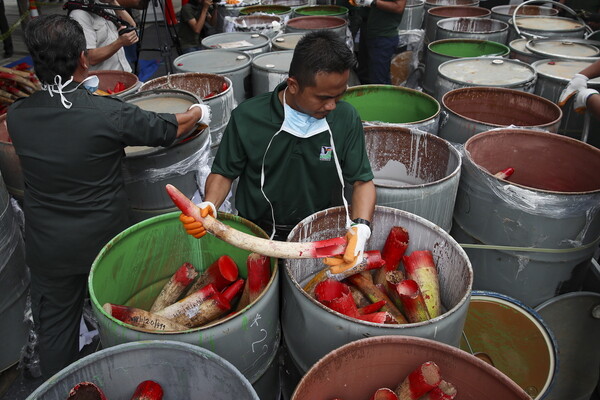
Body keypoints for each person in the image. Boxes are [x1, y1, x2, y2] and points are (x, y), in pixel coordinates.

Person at [7, 14, 210, 379]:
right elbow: (170, 126)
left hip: (49, 247)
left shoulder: (19, 117)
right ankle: (129, 377)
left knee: (55, 332)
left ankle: (65, 387)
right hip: (104, 243)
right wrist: (198, 111)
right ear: (84, 59)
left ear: (36, 65)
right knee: (123, 314)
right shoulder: (106, 113)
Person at [180, 30, 376, 272]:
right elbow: (224, 173)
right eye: (323, 98)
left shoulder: (345, 118)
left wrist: (361, 227)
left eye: (339, 96)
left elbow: (362, 181)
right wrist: (209, 204)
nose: (332, 106)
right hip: (257, 235)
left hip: (319, 234)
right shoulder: (249, 117)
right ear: (293, 85)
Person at [69, 0, 139, 72]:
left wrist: (113, 2)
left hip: (124, 70)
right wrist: (120, 42)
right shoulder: (79, 15)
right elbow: (90, 58)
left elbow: (131, 26)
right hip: (102, 78)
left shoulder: (104, 3)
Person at [353, 0, 406, 84]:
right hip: (373, 34)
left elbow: (399, 7)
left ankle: (382, 96)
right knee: (370, 75)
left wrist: (372, 2)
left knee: (379, 80)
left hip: (383, 37)